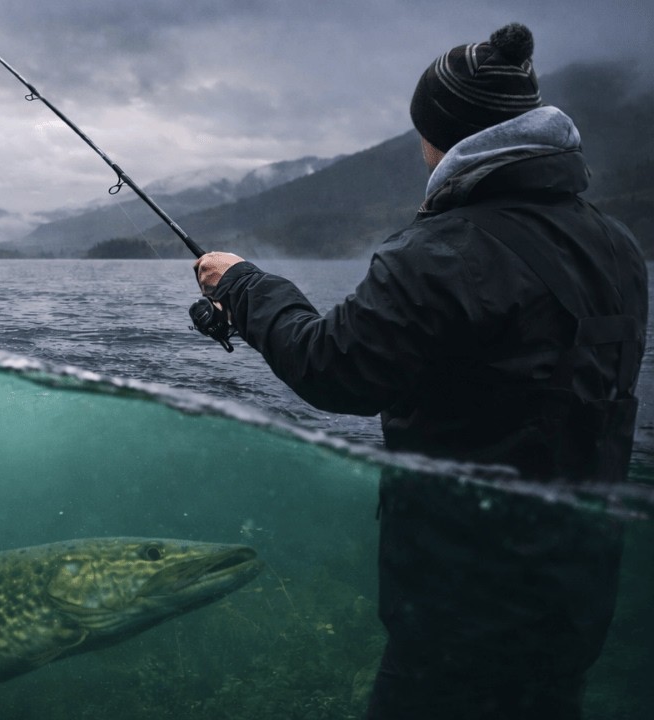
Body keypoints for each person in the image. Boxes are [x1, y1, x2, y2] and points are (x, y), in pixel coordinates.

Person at [192, 22, 647, 720]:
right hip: (576, 594)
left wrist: (244, 285)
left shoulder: (441, 251)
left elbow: (333, 369)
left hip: (462, 610)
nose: (420, 148)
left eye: (423, 130)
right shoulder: (616, 246)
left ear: (447, 135)